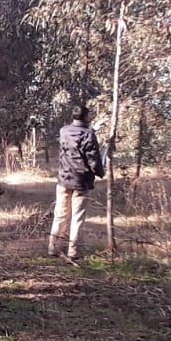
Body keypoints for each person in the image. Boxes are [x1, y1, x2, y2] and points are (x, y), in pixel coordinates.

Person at [48, 103, 107, 261]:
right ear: (87, 117)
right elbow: (93, 159)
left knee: (60, 215)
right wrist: (101, 172)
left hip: (64, 179)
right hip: (81, 181)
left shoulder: (64, 131)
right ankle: (73, 252)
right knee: (77, 218)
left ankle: (53, 248)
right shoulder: (89, 135)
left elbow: (75, 141)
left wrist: (92, 129)